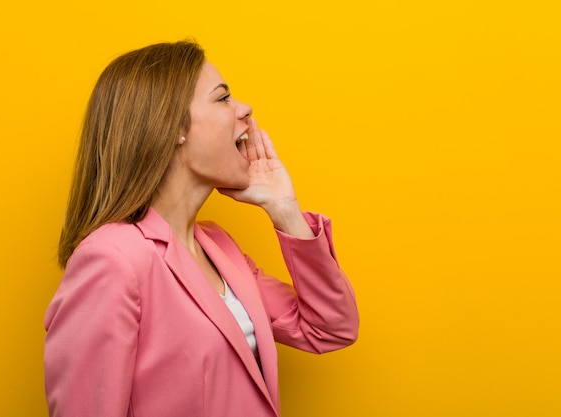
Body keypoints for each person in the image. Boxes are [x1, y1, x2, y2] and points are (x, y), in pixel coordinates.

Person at [44, 40, 359, 417]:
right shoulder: (112, 259)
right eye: (223, 98)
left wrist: (284, 210)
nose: (245, 109)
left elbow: (330, 327)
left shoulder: (219, 247)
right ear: (174, 127)